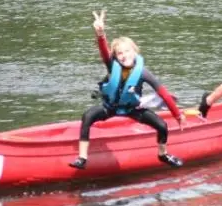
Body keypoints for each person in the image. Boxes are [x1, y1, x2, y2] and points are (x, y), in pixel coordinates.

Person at [69, 10, 186, 170]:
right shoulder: (112, 66)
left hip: (132, 109)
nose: (124, 56)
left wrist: (177, 115)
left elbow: (163, 94)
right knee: (88, 116)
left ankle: (163, 154)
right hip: (110, 108)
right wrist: (101, 34)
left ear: (135, 51)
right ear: (115, 57)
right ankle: (82, 158)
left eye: (127, 51)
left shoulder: (143, 72)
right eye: (119, 53)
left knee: (162, 126)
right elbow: (103, 52)